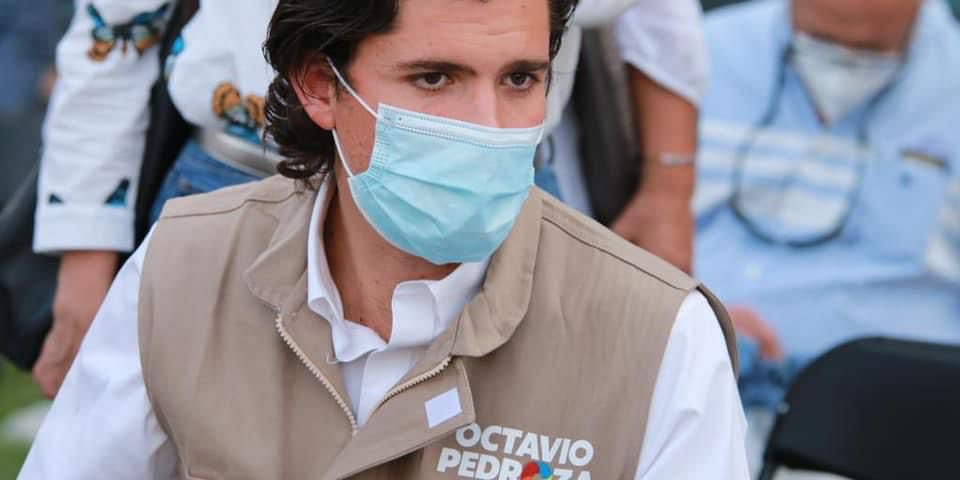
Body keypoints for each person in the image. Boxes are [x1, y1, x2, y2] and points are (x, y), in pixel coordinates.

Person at [20, 0, 750, 477]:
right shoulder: (179, 269)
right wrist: (88, 254)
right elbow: (115, 28)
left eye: (522, 78)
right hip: (228, 164)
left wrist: (670, 185)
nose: (483, 129)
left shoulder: (663, 334)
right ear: (319, 83)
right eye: (434, 79)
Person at [693, 0, 960, 474]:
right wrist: (695, 311)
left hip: (876, 433)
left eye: (868, 48)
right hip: (695, 383)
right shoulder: (705, 51)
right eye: (824, 41)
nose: (843, 61)